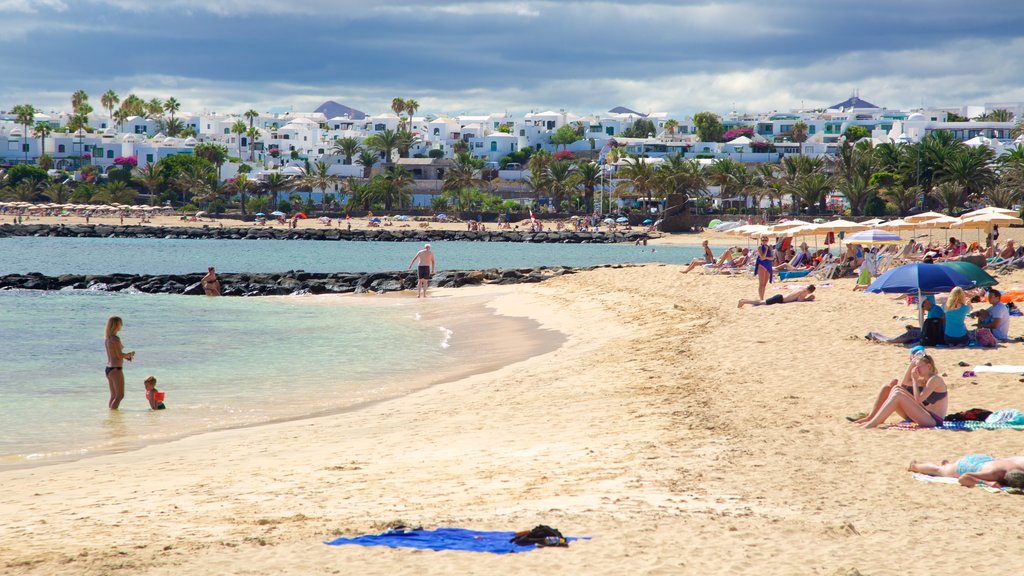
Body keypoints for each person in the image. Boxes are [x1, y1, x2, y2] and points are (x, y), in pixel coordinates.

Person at [856, 353, 947, 428]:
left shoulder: (935, 379)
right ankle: (873, 418)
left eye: (919, 366)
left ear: (929, 366)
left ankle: (872, 424)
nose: (916, 369)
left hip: (933, 420)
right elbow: (905, 383)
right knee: (895, 388)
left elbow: (919, 399)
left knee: (898, 395)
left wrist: (915, 380)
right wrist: (913, 362)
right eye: (916, 366)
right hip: (924, 414)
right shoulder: (924, 379)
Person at [909, 455, 1024, 488]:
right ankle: (914, 466)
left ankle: (948, 465)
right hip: (967, 465)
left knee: (945, 468)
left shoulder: (1017, 467)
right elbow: (964, 477)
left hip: (985, 459)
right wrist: (987, 483)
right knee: (938, 470)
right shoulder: (994, 474)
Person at [105, 316, 135, 410]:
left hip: (109, 369)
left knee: (113, 396)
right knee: (120, 396)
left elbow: (113, 355)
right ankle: (114, 416)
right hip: (116, 369)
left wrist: (126, 357)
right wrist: (129, 354)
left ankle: (111, 416)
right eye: (120, 323)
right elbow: (119, 355)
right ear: (116, 325)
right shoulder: (115, 339)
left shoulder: (108, 339)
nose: (121, 325)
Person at [738, 284, 815, 308]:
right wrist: (808, 299)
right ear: (809, 291)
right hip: (780, 299)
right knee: (761, 302)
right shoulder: (804, 292)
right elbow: (800, 300)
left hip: (780, 297)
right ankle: (743, 301)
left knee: (761, 302)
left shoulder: (801, 288)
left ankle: (744, 300)